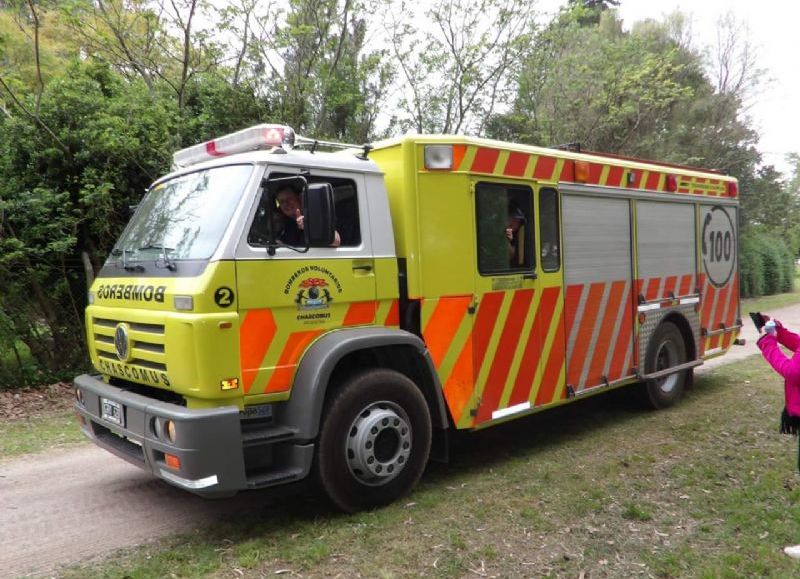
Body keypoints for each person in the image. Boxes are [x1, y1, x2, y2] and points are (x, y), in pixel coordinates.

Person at [276, 186, 341, 247]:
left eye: (289, 199)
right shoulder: (288, 222)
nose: (286, 204)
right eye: (282, 202)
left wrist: (310, 225)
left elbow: (336, 241)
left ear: (300, 198)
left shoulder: (317, 214)